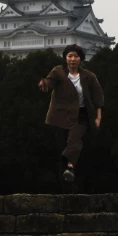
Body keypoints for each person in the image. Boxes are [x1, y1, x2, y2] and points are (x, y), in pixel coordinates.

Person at [38, 44, 104, 187]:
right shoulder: (58, 72)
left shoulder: (89, 76)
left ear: (81, 59)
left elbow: (98, 98)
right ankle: (66, 181)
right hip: (60, 116)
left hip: (81, 115)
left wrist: (98, 118)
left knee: (75, 140)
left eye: (76, 56)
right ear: (65, 58)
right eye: (70, 56)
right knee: (63, 147)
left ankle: (70, 167)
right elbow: (50, 82)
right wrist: (45, 84)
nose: (73, 59)